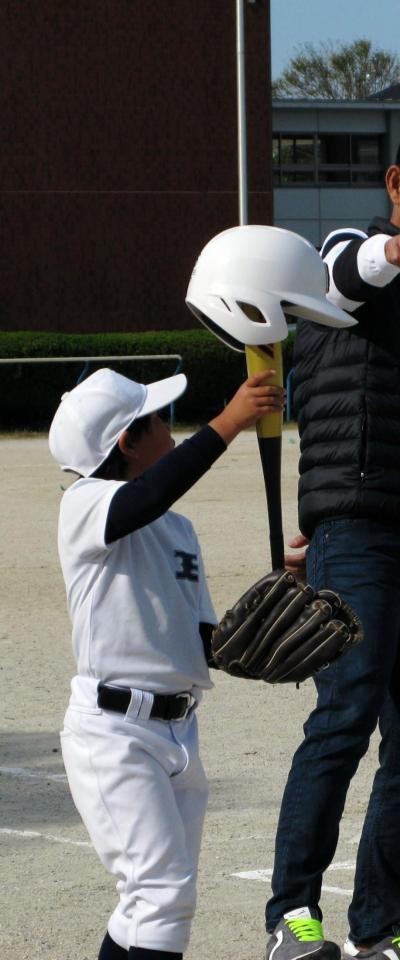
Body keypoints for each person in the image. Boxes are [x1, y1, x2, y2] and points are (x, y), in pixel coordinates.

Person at [264, 116, 400, 960]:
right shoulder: (340, 264)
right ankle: (291, 913)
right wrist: (391, 256)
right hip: (359, 531)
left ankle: (379, 929)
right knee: (345, 717)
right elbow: (348, 273)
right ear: (397, 186)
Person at [50, 366, 284, 960]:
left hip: (181, 732)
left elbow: (207, 639)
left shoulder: (178, 530)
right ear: (127, 442)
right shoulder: (85, 505)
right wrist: (229, 423)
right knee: (163, 895)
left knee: (146, 902)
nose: (171, 427)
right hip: (115, 733)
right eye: (159, 420)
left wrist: (276, 598)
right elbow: (149, 493)